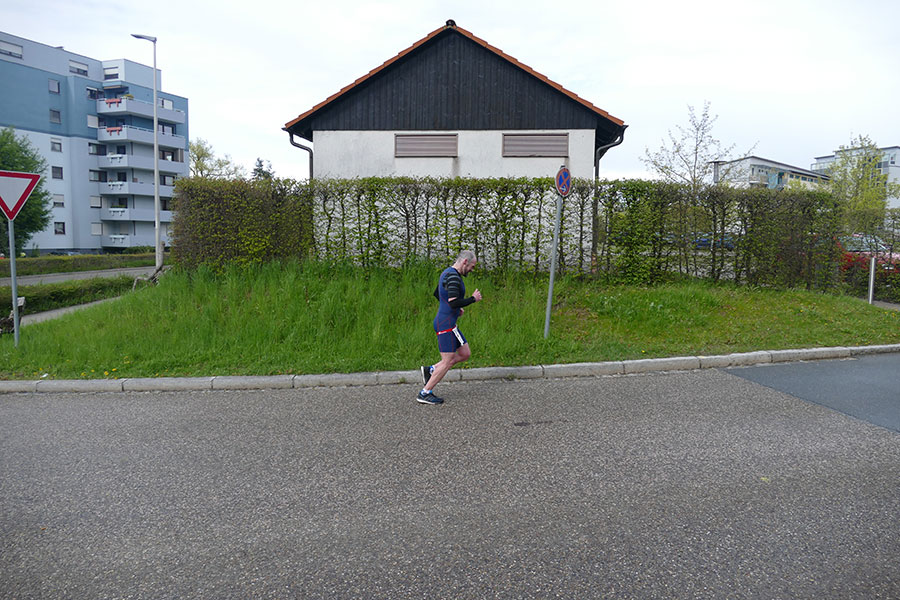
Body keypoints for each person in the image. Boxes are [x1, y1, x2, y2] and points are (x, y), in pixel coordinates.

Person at [418, 250, 482, 405]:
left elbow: (438, 293)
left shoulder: (448, 273)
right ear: (465, 262)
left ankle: (431, 370)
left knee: (465, 354)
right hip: (445, 324)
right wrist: (472, 299)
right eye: (472, 266)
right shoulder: (453, 276)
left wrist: (455, 309)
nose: (472, 270)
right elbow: (453, 301)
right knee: (447, 361)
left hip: (450, 323)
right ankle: (425, 393)